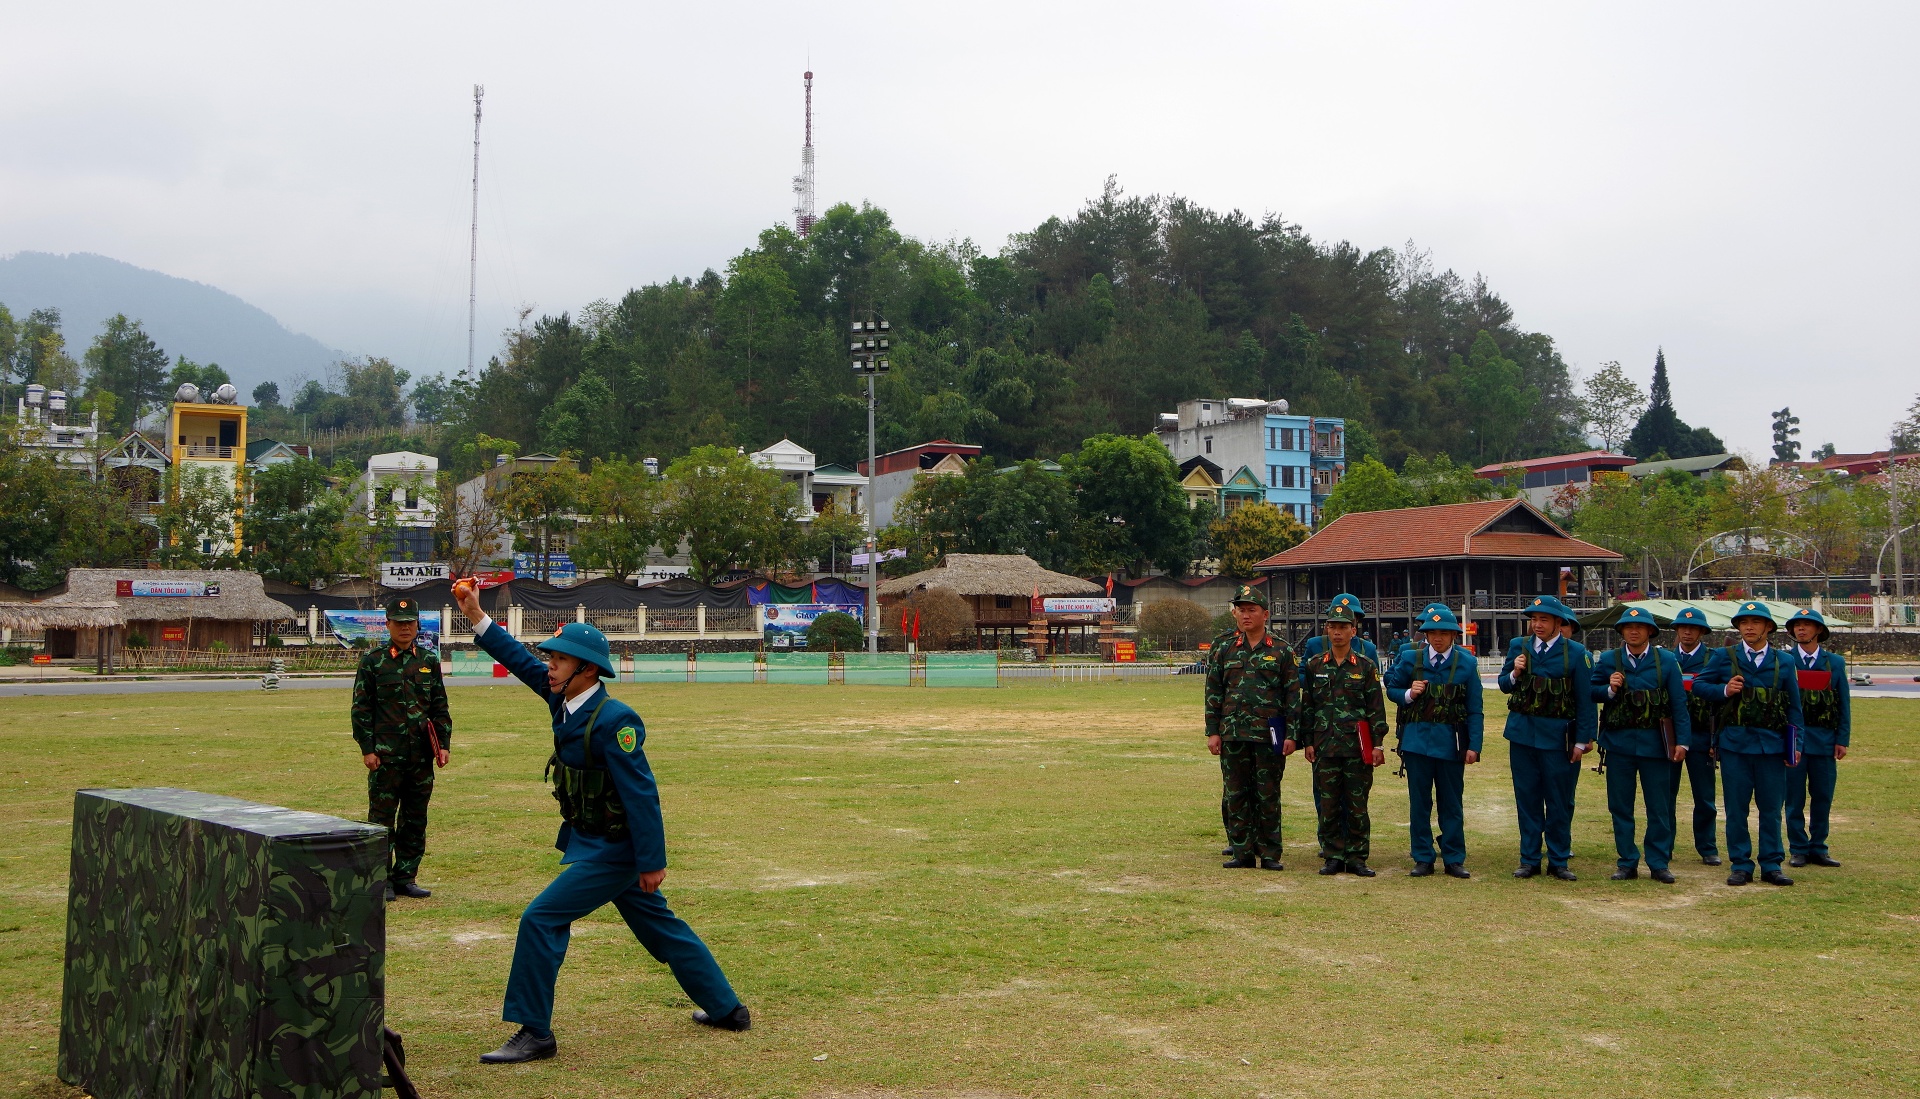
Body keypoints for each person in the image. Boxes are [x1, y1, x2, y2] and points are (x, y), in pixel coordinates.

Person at [453, 580, 747, 1065]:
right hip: (592, 843)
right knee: (662, 928)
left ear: (586, 670)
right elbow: (521, 661)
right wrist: (477, 615)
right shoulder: (563, 699)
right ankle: (727, 1009)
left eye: (559, 661)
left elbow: (642, 795)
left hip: (614, 852)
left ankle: (535, 1033)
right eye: (550, 660)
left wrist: (651, 862)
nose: (548, 667)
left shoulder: (615, 720)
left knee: (541, 919)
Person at [1694, 600, 1803, 887]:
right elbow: (1699, 686)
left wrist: (1796, 743)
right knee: (1736, 808)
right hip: (1734, 745)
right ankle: (1740, 864)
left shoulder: (1785, 661)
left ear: (1768, 627)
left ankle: (1772, 864)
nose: (1749, 627)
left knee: (1770, 808)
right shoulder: (1723, 656)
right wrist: (1724, 689)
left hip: (1772, 745)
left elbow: (1794, 706)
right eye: (1743, 623)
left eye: (1755, 622)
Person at [351, 595, 451, 902]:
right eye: (398, 623)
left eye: (410, 623)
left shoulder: (428, 661)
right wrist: (367, 749)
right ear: (388, 624)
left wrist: (443, 745)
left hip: (420, 756)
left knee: (415, 817)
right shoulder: (374, 662)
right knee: (381, 820)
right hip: (385, 757)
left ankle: (406, 877)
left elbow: (439, 707)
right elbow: (361, 709)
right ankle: (381, 881)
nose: (405, 628)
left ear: (417, 625)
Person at [1497, 595, 1596, 881]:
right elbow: (1504, 685)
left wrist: (1582, 740)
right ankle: (1529, 859)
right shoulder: (1519, 647)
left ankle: (1558, 860)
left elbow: (1585, 701)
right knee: (1526, 798)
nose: (1537, 625)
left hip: (1558, 738)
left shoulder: (1576, 653)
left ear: (1558, 623)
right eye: (1533, 620)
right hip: (1523, 736)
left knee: (1559, 800)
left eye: (1543, 620)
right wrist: (1515, 671)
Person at [1590, 606, 1690, 883]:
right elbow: (1590, 691)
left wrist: (1682, 742)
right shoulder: (1609, 659)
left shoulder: (1666, 660)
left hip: (1656, 745)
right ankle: (1627, 862)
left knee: (1658, 806)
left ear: (1650, 632)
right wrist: (1609, 689)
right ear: (1621, 632)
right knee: (1620, 806)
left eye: (1640, 627)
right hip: (1619, 745)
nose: (1633, 631)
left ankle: (1659, 863)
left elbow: (1679, 704)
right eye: (1628, 628)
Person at [1205, 585, 1301, 871]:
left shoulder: (1282, 651)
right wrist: (1213, 731)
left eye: (1252, 610)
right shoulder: (1224, 648)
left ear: (1265, 614)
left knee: (1268, 794)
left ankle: (1270, 853)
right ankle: (1242, 851)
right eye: (1241, 610)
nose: (1245, 615)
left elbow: (1292, 698)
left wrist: (1292, 735)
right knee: (1236, 794)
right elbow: (1213, 693)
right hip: (1233, 733)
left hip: (1268, 734)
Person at [1385, 605, 1483, 878]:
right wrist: (1408, 693)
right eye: (1431, 633)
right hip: (1416, 742)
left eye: (1443, 633)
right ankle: (1423, 857)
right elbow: (1391, 689)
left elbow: (1475, 708)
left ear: (1454, 635)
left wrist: (1474, 745)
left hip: (1451, 743)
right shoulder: (1411, 659)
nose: (1437, 638)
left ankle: (1453, 857)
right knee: (1419, 802)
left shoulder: (1467, 663)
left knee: (1451, 802)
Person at [1299, 605, 1388, 876]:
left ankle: (1357, 857)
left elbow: (1376, 708)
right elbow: (1309, 707)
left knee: (1357, 803)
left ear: (1353, 630)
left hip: (1356, 746)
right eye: (1332, 627)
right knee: (1328, 803)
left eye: (1343, 627)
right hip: (1325, 746)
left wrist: (1378, 744)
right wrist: (1308, 741)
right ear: (1327, 630)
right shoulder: (1316, 665)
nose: (1337, 632)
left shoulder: (1365, 666)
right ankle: (1333, 855)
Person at [1783, 608, 1849, 869]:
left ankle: (1819, 847)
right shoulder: (1784, 661)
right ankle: (1798, 848)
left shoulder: (1835, 663)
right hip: (1793, 739)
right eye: (1797, 625)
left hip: (1823, 739)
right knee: (1794, 797)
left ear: (1818, 631)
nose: (1801, 629)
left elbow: (1843, 703)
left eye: (1807, 625)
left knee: (1822, 796)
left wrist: (1842, 738)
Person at [1668, 606, 1722, 866]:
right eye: (1682, 627)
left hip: (1702, 735)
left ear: (1702, 632)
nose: (1687, 632)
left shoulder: (1714, 659)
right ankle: (1663, 845)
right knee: (1665, 794)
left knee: (1704, 796)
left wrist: (1717, 739)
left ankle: (1707, 846)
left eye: (1692, 628)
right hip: (1670, 736)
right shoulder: (1665, 659)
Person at [1300, 594, 1381, 668]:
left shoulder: (1368, 648)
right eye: (1334, 625)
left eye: (1349, 618)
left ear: (1357, 620)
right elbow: (1302, 675)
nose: (1337, 632)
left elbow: (1374, 679)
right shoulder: (1314, 645)